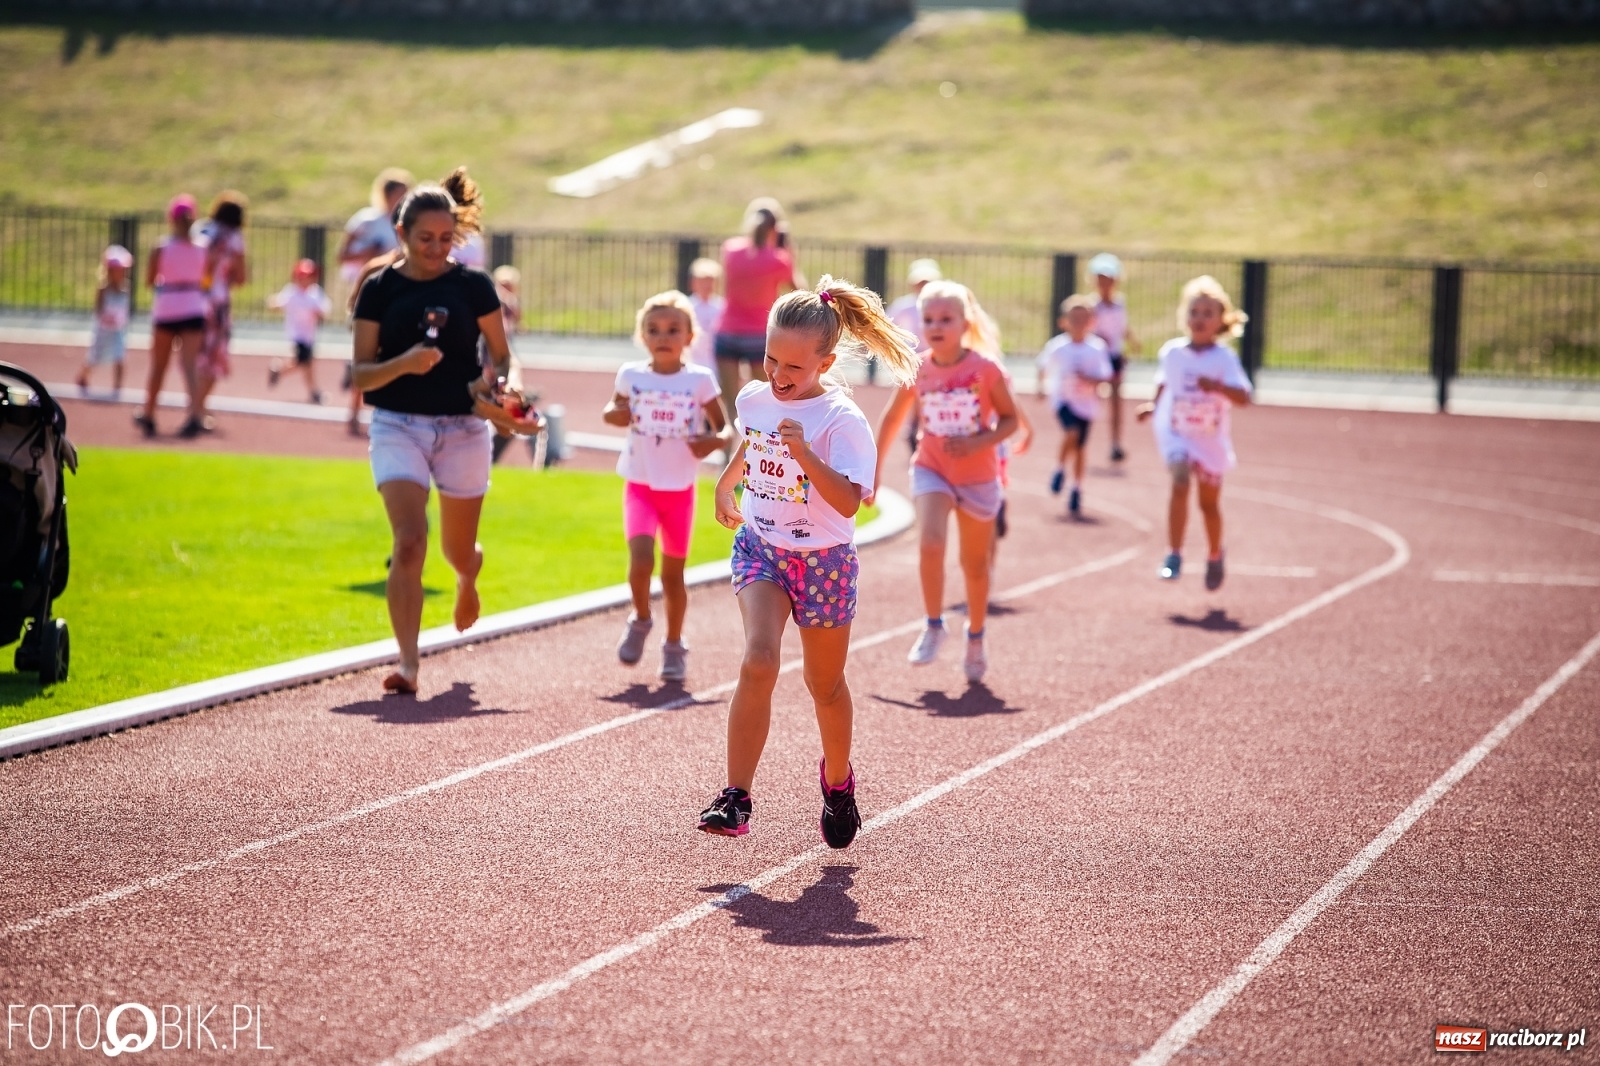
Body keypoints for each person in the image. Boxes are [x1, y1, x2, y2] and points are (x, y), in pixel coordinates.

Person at [698, 276, 918, 847]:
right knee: (759, 661)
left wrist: (804, 452)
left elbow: (851, 501)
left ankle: (838, 782)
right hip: (763, 548)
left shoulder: (842, 421)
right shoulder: (754, 397)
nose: (778, 376)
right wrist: (727, 486)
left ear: (824, 361)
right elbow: (753, 439)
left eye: (793, 368)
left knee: (825, 686)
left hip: (823, 562)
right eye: (771, 360)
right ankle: (736, 796)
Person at [351, 168, 539, 695]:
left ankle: (466, 577)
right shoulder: (378, 290)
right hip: (398, 427)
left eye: (445, 239)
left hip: (463, 426)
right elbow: (361, 374)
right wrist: (406, 363)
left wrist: (502, 390)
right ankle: (408, 664)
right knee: (410, 543)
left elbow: (502, 357)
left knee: (459, 551)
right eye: (424, 239)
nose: (436, 249)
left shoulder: (473, 285)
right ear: (402, 235)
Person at [873, 281, 1018, 683]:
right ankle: (934, 623)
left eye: (945, 319)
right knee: (931, 541)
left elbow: (1010, 420)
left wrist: (978, 442)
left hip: (978, 476)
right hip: (932, 468)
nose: (936, 327)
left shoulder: (985, 370)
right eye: (929, 319)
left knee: (974, 566)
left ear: (964, 322)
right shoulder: (918, 368)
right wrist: (874, 470)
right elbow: (891, 418)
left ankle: (976, 636)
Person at [603, 291, 730, 682]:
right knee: (641, 563)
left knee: (674, 577)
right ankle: (641, 618)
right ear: (642, 335)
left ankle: (674, 644)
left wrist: (713, 441)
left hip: (679, 490)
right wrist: (617, 415)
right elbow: (611, 411)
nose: (663, 336)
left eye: (673, 329)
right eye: (654, 329)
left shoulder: (700, 380)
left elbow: (725, 428)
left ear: (689, 337)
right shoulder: (631, 375)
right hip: (640, 484)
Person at [1136, 275, 1253, 590]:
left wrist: (1217, 387)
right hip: (1177, 433)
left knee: (1208, 505)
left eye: (1207, 313)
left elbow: (1245, 397)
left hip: (1209, 440)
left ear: (1220, 321)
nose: (1199, 319)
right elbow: (1165, 382)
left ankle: (1215, 553)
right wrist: (1153, 404)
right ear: (1185, 317)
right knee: (1179, 482)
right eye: (1194, 312)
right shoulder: (1172, 353)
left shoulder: (1224, 359)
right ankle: (1173, 553)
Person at [341, 169, 413, 437]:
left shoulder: (412, 218)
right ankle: (354, 413)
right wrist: (368, 254)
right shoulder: (367, 220)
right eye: (399, 192)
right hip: (375, 288)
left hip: (403, 289)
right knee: (368, 360)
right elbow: (343, 255)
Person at [715, 197, 804, 406]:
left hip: (727, 331)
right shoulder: (778, 259)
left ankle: (731, 439)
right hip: (758, 335)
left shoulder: (730, 249)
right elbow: (798, 291)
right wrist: (789, 252)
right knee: (764, 403)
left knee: (730, 404)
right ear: (776, 227)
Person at [135, 195, 209, 439]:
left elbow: (149, 279)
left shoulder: (161, 247)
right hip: (193, 305)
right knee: (189, 366)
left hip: (167, 306)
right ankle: (195, 414)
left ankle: (149, 412)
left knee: (159, 365)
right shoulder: (203, 247)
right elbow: (207, 278)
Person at [1036, 294, 1114, 517]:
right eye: (1074, 318)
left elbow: (1106, 376)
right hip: (1063, 400)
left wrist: (1089, 379)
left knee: (1080, 448)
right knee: (1072, 432)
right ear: (1064, 322)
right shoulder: (1058, 346)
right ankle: (1060, 469)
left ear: (1092, 322)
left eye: (1083, 318)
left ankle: (1076, 488)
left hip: (1087, 405)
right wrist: (1041, 387)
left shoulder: (1096, 348)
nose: (1078, 324)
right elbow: (1042, 366)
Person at [195, 190, 250, 432]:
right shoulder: (234, 238)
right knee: (215, 358)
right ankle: (198, 407)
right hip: (217, 303)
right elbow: (240, 277)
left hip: (194, 300)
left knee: (195, 358)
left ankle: (196, 407)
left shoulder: (201, 229)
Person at [1088, 253, 1139, 463]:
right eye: (1100, 278)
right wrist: (1100, 340)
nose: (1104, 283)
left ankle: (1115, 443)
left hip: (1115, 357)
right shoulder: (1091, 306)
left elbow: (1121, 327)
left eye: (1108, 278)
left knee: (1116, 401)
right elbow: (1087, 330)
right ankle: (1082, 438)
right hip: (1097, 357)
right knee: (1089, 399)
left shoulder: (1120, 303)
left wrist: (1131, 341)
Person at [267, 259, 332, 404]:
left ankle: (280, 371)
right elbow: (278, 302)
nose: (304, 280)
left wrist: (319, 313)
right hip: (297, 335)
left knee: (307, 364)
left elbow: (324, 310)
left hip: (309, 335)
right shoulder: (292, 292)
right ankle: (314, 392)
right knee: (305, 361)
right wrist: (272, 303)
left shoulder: (315, 293)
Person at [77, 245, 133, 395]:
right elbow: (97, 309)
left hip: (118, 330)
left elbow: (125, 309)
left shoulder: (126, 288)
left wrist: (120, 320)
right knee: (94, 356)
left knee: (119, 356)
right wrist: (106, 317)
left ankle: (117, 386)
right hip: (103, 330)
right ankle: (83, 375)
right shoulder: (103, 289)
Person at [686, 258, 724, 372]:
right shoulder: (686, 305)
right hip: (691, 362)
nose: (706, 285)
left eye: (710, 280)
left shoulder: (722, 307)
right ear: (693, 282)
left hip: (716, 365)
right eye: (702, 280)